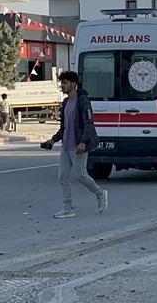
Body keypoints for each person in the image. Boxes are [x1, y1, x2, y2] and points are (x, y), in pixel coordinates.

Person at [42, 71, 109, 218]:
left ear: (73, 84)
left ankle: (100, 194)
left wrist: (83, 142)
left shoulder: (83, 100)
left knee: (80, 175)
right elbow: (64, 126)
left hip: (78, 145)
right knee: (63, 177)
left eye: (65, 83)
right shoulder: (66, 103)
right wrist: (53, 140)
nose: (63, 85)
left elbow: (89, 123)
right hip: (66, 145)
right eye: (62, 83)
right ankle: (68, 208)